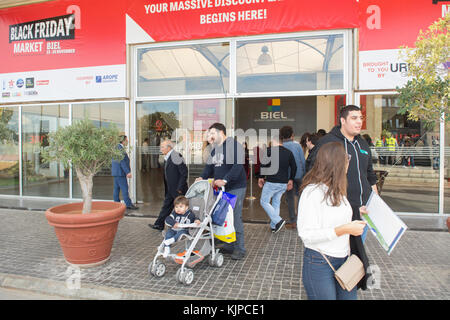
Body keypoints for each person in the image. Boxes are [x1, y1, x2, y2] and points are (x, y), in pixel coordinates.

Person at [306, 105, 376, 290]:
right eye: (354, 118)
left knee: (353, 254)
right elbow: (313, 171)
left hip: (362, 212)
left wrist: (375, 200)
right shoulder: (329, 143)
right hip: (338, 212)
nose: (359, 121)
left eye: (360, 117)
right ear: (342, 120)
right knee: (333, 249)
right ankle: (326, 283)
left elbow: (369, 174)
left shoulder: (362, 144)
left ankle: (346, 283)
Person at [297, 142, 368, 300]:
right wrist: (344, 229)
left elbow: (334, 216)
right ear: (337, 163)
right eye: (347, 158)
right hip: (319, 262)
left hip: (344, 260)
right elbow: (306, 234)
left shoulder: (338, 189)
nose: (349, 161)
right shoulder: (312, 193)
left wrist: (358, 212)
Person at [196, 123, 247, 260]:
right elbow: (209, 167)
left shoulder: (233, 145)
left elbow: (237, 166)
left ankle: (240, 249)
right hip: (221, 189)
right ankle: (229, 245)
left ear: (221, 132)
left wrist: (225, 180)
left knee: (235, 217)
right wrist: (202, 177)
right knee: (224, 217)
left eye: (212, 133)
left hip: (235, 187)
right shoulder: (215, 150)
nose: (210, 136)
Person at [258, 135, 297, 233]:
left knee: (264, 201)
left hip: (272, 182)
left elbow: (263, 165)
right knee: (276, 203)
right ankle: (274, 226)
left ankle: (278, 221)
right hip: (283, 183)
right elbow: (294, 167)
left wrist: (261, 177)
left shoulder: (269, 151)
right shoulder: (288, 152)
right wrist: (291, 179)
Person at [149, 139, 188, 231]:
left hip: (178, 190)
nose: (161, 149)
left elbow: (184, 173)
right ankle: (159, 224)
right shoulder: (168, 157)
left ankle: (186, 226)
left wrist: (179, 188)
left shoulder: (176, 156)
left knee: (181, 208)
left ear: (169, 147)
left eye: (162, 147)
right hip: (170, 189)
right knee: (166, 206)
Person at [279, 126, 305, 229]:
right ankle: (302, 220)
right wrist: (304, 173)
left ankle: (293, 221)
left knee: (290, 199)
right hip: (299, 175)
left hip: (287, 177)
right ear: (292, 135)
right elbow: (302, 161)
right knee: (301, 197)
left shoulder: (280, 146)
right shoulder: (297, 146)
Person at [112, 135, 138, 210]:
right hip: (120, 172)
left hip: (116, 172)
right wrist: (127, 172)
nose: (127, 141)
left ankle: (116, 203)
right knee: (124, 188)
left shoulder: (116, 148)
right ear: (123, 141)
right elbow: (122, 162)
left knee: (116, 188)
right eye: (127, 140)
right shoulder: (120, 149)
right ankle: (128, 204)